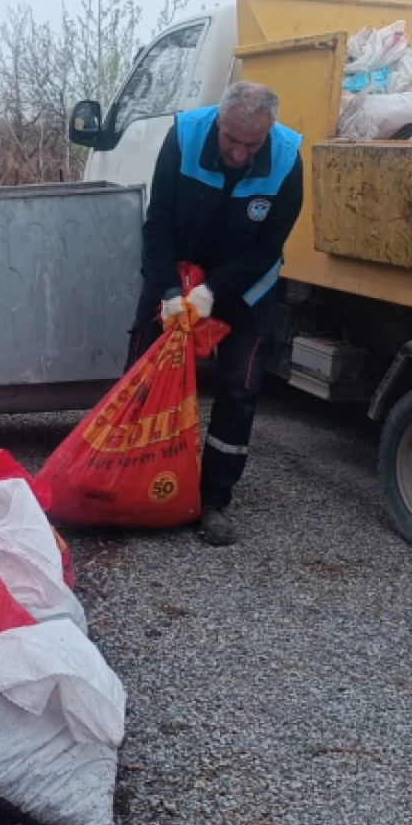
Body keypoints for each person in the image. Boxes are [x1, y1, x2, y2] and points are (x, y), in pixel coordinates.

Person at [126, 80, 304, 546]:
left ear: (268, 133)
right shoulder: (184, 137)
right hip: (176, 273)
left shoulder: (287, 159)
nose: (240, 154)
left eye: (253, 144)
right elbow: (158, 222)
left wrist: (214, 291)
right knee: (144, 371)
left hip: (243, 284)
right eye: (231, 140)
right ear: (219, 122)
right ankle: (126, 479)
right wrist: (168, 292)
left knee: (240, 385)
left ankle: (214, 500)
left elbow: (269, 246)